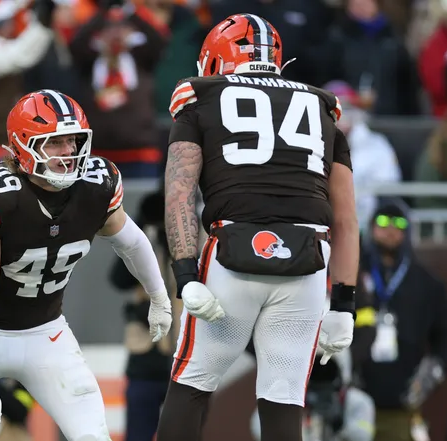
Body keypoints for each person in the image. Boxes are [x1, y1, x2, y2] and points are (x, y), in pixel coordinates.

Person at [0, 89, 173, 441]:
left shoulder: (95, 186)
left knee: (93, 435)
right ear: (22, 148)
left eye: (73, 141)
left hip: (46, 332)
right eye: (55, 143)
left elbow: (131, 242)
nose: (69, 152)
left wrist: (159, 297)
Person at [156, 13, 360, 441]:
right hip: (308, 258)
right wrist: (344, 303)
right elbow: (344, 218)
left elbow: (179, 195)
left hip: (233, 253)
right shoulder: (322, 108)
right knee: (284, 394)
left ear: (217, 60)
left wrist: (185, 274)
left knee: (192, 381)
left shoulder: (201, 97)